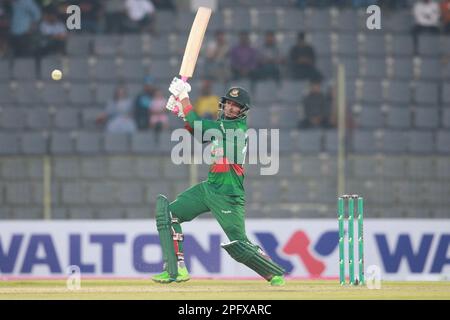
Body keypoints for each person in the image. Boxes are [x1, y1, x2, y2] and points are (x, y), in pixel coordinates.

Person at [151, 77, 286, 286]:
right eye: (229, 103)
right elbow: (198, 131)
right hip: (210, 187)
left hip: (228, 195)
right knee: (169, 214)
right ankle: (176, 270)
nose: (231, 108)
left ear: (243, 111)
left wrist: (184, 98)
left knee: (240, 244)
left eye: (236, 106)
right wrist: (182, 111)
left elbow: (197, 124)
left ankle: (272, 273)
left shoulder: (235, 129)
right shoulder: (222, 127)